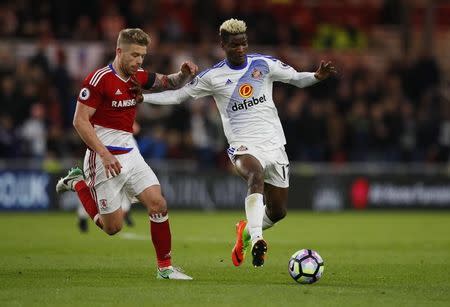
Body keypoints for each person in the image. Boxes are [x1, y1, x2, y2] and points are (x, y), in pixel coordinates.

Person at [139, 19, 337, 267]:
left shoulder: (263, 64)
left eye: (243, 43)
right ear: (223, 45)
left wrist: (317, 76)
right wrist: (144, 98)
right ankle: (256, 239)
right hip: (243, 145)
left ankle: (245, 231)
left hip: (274, 144)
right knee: (255, 174)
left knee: (278, 212)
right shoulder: (213, 77)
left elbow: (296, 78)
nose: (240, 49)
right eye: (234, 45)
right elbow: (179, 96)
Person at [56, 28, 198, 280]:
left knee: (158, 203)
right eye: (134, 55)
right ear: (119, 51)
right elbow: (80, 121)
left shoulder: (138, 77)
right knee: (113, 227)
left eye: (142, 56)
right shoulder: (98, 80)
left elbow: (169, 82)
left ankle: (165, 269)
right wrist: (103, 153)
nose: (139, 61)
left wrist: (184, 74)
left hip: (131, 153)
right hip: (103, 158)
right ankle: (77, 182)